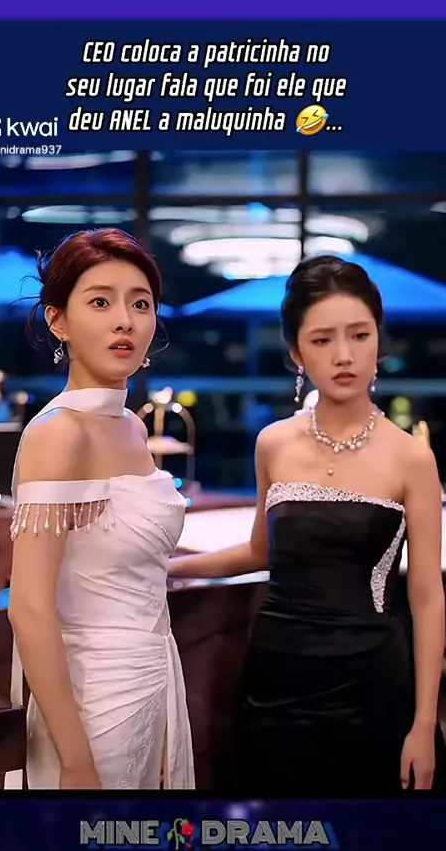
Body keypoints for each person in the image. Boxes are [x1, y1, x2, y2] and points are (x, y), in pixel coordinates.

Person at [169, 255, 446, 796]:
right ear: (296, 352)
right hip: (276, 679)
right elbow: (260, 551)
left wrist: (423, 724)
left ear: (378, 340)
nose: (344, 355)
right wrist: (169, 569)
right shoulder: (273, 443)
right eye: (322, 340)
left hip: (372, 685)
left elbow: (428, 596)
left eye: (359, 335)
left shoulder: (412, 459)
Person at [6, 228, 195, 790]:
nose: (125, 321)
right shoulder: (58, 434)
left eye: (140, 304)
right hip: (90, 703)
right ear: (58, 320)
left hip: (152, 679)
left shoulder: (132, 426)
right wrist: (76, 759)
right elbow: (29, 610)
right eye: (100, 302)